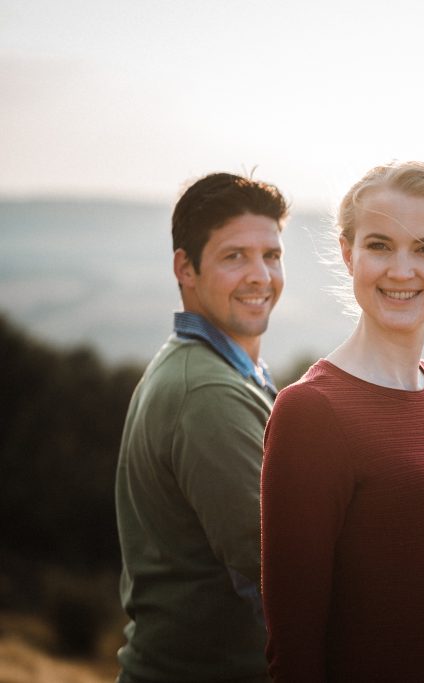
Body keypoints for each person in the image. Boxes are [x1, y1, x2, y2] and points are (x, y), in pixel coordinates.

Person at [261, 161, 424, 681]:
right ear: (349, 254)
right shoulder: (312, 413)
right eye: (380, 245)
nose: (401, 269)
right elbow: (293, 654)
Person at [115, 172, 288, 683]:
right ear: (185, 268)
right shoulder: (207, 393)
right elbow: (281, 573)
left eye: (272, 255)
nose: (260, 275)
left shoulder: (219, 370)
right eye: (235, 256)